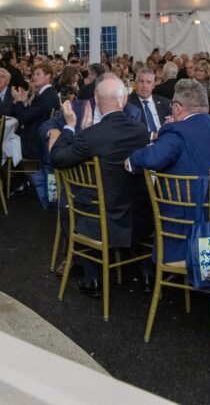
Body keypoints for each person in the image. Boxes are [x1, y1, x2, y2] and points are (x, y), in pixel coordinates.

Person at [127, 79, 210, 324]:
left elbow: (152, 158)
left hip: (193, 234)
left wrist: (131, 160)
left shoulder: (176, 130)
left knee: (192, 207)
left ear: (177, 108)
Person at [48, 78, 154, 297]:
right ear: (124, 100)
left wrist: (69, 126)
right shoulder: (141, 130)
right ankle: (145, 272)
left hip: (102, 219)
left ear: (96, 99)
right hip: (140, 216)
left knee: (70, 206)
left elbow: (57, 158)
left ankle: (91, 276)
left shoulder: (91, 136)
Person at [11, 63, 61, 161]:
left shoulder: (45, 97)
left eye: (38, 74)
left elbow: (24, 119)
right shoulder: (48, 94)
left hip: (35, 144)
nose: (34, 77)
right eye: (33, 74)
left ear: (48, 76)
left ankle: (11, 174)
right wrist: (25, 101)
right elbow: (30, 115)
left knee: (1, 143)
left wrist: (19, 101)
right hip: (36, 138)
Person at [126, 67, 172, 138]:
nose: (144, 86)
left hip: (164, 141)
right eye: (141, 81)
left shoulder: (164, 102)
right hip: (143, 144)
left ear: (153, 85)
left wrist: (173, 122)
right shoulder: (127, 103)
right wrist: (154, 135)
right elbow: (130, 131)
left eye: (148, 82)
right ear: (135, 83)